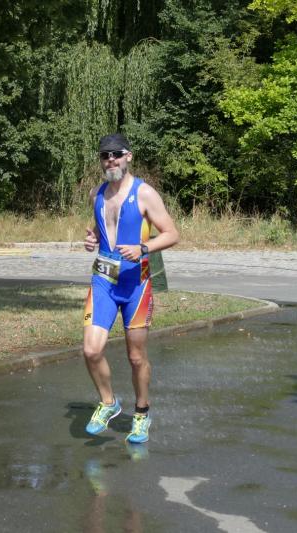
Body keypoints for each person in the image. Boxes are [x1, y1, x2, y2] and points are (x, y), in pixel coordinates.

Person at [81, 133, 179, 443]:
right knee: (91, 350)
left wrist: (143, 248)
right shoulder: (97, 193)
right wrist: (93, 239)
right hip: (103, 281)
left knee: (136, 357)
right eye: (105, 155)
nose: (110, 160)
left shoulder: (145, 193)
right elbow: (103, 228)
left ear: (128, 157)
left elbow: (172, 233)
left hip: (136, 284)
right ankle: (109, 403)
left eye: (116, 154)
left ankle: (141, 413)